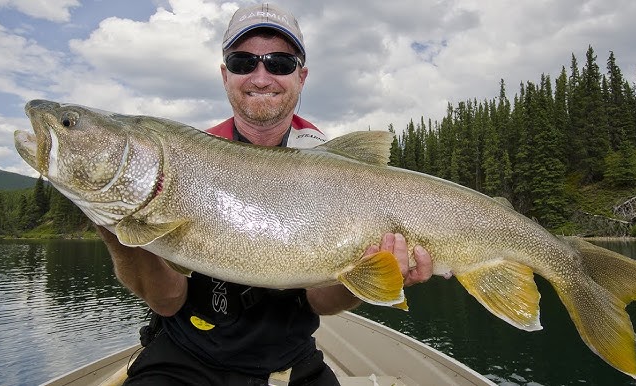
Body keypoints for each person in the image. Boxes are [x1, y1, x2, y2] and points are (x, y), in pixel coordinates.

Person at [96, 3, 434, 385]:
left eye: (279, 63)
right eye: (243, 62)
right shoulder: (187, 158)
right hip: (185, 355)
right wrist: (115, 225)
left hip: (288, 363)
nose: (261, 76)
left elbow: (319, 301)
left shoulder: (335, 167)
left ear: (301, 77)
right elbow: (167, 300)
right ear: (226, 76)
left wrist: (378, 270)